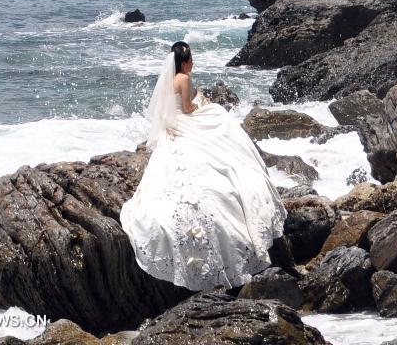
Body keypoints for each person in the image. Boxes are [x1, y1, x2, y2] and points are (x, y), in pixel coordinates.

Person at [120, 42, 286, 291]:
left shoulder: (169, 79)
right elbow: (186, 109)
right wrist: (202, 104)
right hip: (183, 122)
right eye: (191, 59)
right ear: (184, 62)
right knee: (219, 116)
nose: (193, 63)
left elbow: (172, 107)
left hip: (172, 127)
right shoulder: (183, 78)